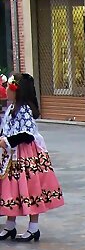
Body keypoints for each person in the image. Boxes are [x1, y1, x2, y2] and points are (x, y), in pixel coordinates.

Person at [0, 73, 64, 241]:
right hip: (12, 155)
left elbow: (28, 134)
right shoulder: (12, 108)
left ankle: (33, 227)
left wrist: (6, 141)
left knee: (30, 188)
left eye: (9, 87)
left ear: (17, 90)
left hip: (26, 156)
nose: (6, 89)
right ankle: (10, 225)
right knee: (11, 189)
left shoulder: (24, 109)